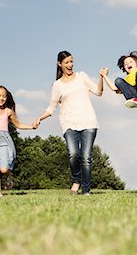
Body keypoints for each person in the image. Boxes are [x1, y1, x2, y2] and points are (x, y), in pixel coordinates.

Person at [33, 51, 104, 195]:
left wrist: (101, 77)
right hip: (69, 123)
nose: (70, 65)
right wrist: (40, 118)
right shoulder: (57, 85)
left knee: (86, 157)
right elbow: (52, 107)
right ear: (60, 64)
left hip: (88, 122)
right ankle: (76, 180)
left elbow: (98, 92)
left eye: (71, 61)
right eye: (67, 62)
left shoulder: (82, 76)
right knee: (73, 154)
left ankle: (86, 190)